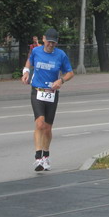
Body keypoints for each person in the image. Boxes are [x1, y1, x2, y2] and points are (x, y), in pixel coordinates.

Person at [21, 28, 74, 172]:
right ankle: (38, 158)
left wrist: (61, 80)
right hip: (37, 91)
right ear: (43, 39)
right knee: (39, 123)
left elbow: (70, 72)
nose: (51, 44)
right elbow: (28, 62)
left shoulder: (61, 55)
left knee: (48, 128)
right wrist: (25, 72)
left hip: (51, 93)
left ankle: (46, 155)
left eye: (54, 43)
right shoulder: (37, 51)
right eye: (49, 41)